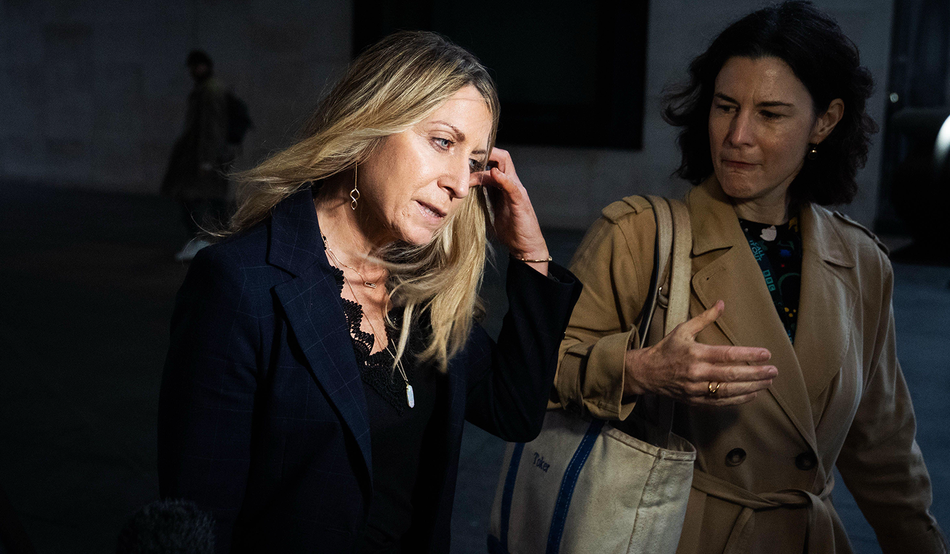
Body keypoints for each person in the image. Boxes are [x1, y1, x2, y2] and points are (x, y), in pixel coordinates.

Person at [158, 31, 581, 553]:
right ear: (369, 123)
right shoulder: (240, 284)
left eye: (474, 161)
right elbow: (200, 518)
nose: (458, 182)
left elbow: (513, 410)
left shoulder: (421, 291)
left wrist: (532, 256)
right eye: (443, 142)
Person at [554, 3, 947, 553]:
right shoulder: (638, 236)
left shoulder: (861, 262)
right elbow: (541, 374)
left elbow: (880, 443)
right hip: (673, 536)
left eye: (770, 113)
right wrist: (639, 369)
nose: (737, 135)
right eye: (725, 106)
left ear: (825, 121)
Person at [161, 50, 233, 262]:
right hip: (204, 156)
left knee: (195, 199)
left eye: (196, 66)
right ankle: (209, 241)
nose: (193, 71)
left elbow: (212, 128)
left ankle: (202, 240)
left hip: (204, 158)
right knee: (208, 200)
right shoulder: (208, 89)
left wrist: (206, 160)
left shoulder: (210, 90)